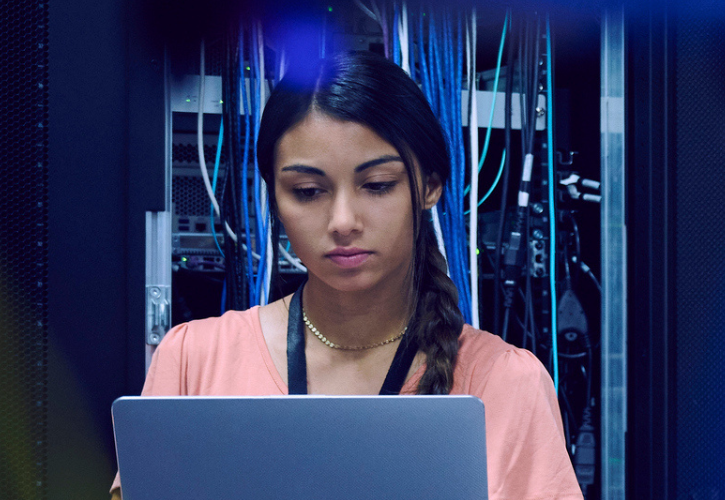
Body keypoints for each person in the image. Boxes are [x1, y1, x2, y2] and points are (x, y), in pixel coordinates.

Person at [110, 51, 582, 500]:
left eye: (377, 185)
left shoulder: (504, 382)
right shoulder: (194, 361)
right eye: (307, 190)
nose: (342, 221)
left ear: (430, 187)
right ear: (275, 199)